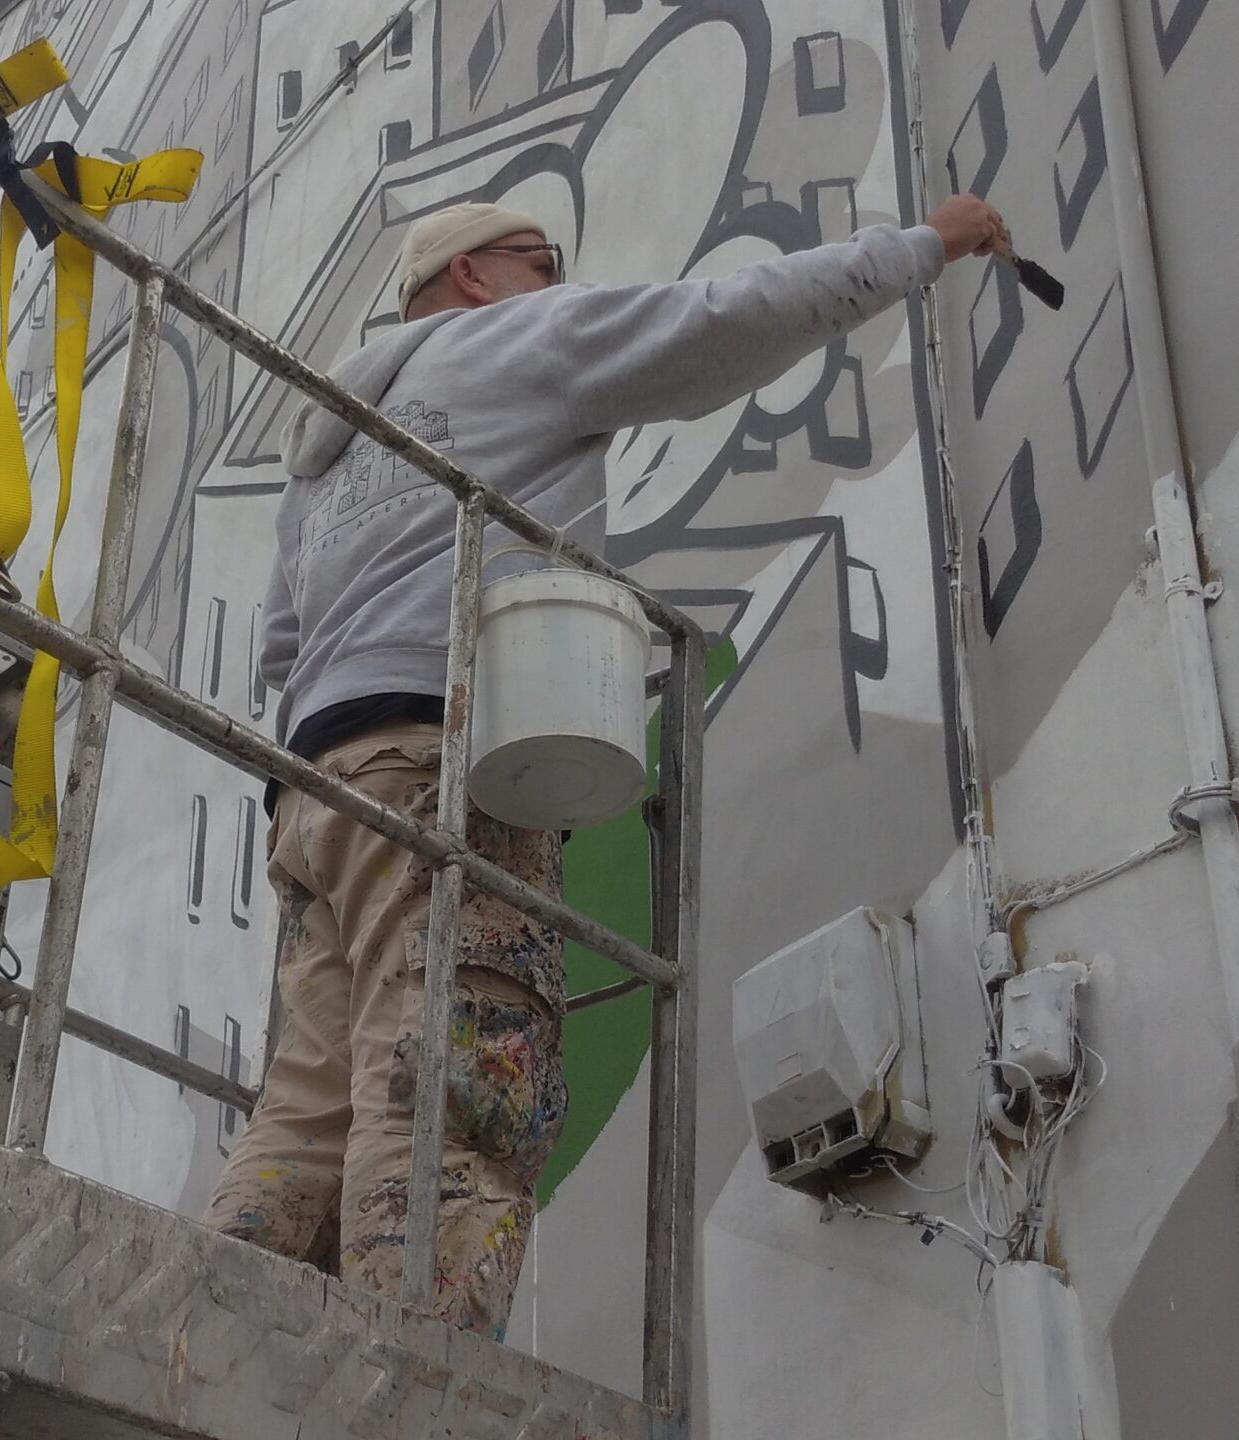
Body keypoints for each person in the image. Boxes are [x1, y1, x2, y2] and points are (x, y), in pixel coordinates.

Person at [205, 193, 1010, 1338]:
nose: (557, 281)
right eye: (541, 260)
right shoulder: (511, 340)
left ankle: (209, 1333)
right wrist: (922, 246)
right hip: (439, 758)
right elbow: (719, 323)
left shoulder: (328, 446)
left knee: (305, 1106)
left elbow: (281, 649)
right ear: (473, 276)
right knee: (451, 1082)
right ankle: (416, 1375)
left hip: (313, 788)